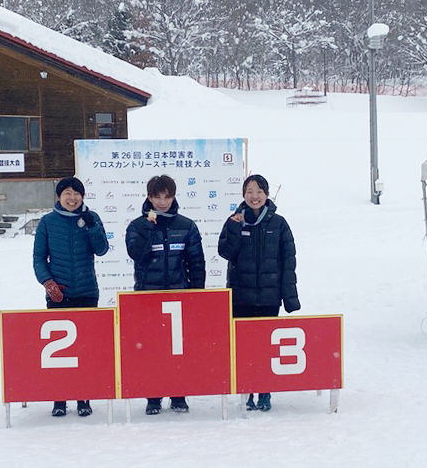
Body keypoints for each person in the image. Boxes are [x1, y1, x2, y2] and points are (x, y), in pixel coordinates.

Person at [218, 174, 300, 412]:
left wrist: (289, 298)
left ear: (267, 195)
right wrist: (234, 228)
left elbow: (289, 262)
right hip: (240, 297)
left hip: (268, 298)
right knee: (244, 347)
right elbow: (225, 252)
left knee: (265, 347)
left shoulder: (279, 223)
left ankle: (264, 391)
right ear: (243, 195)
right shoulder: (234, 220)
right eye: (250, 192)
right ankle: (247, 390)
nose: (254, 197)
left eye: (259, 192)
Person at [125, 174, 206, 415]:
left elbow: (197, 263)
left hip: (179, 298)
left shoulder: (186, 225)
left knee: (178, 349)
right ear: (149, 197)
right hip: (147, 298)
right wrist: (151, 228)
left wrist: (197, 295)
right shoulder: (138, 226)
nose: (162, 202)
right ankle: (153, 397)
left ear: (173, 196)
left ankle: (179, 394)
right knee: (152, 349)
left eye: (167, 196)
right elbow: (136, 254)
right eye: (157, 197)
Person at [33, 176, 109, 417]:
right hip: (59, 295)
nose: (72, 198)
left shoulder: (92, 218)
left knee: (85, 350)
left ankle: (84, 399)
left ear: (82, 196)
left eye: (76, 193)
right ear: (58, 197)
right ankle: (59, 400)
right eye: (66, 193)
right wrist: (48, 283)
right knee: (59, 353)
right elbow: (38, 258)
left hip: (86, 293)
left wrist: (92, 226)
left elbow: (102, 249)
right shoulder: (47, 222)